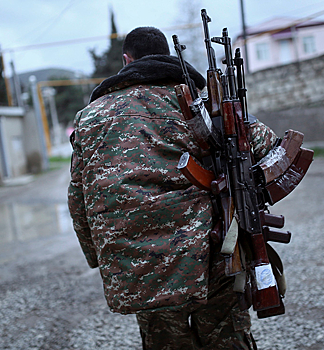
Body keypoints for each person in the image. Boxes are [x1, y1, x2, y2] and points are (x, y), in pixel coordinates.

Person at [68, 26, 279, 350]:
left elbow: (79, 201)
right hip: (212, 254)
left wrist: (98, 256)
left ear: (127, 60)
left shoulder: (90, 118)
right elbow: (271, 148)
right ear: (166, 55)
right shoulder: (202, 101)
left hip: (139, 265)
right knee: (226, 340)